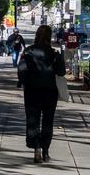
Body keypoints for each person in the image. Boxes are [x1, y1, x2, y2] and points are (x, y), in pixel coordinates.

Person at [18, 25, 65, 162]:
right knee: (48, 121)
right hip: (50, 91)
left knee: (32, 120)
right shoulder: (54, 53)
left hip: (32, 90)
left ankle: (36, 147)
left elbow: (21, 70)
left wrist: (23, 81)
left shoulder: (28, 51)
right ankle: (46, 150)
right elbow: (61, 72)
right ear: (49, 37)